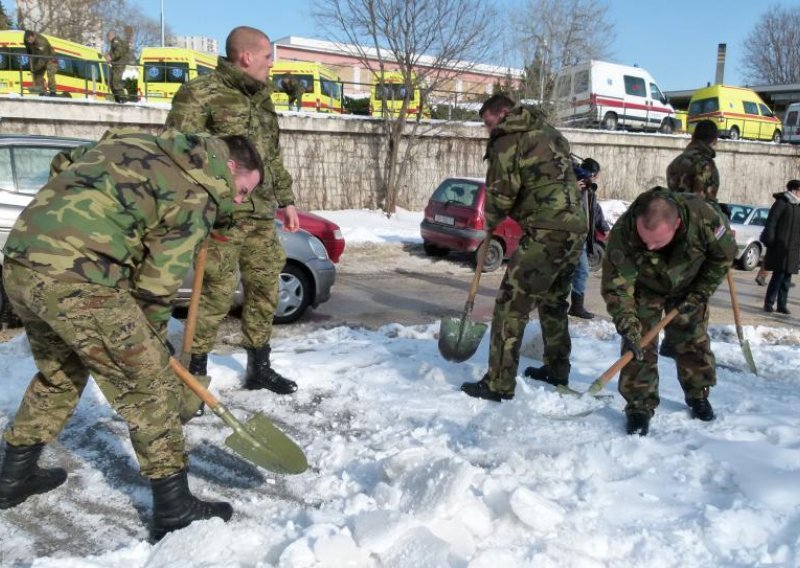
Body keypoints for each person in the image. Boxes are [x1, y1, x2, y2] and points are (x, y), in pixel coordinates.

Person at [0, 128, 263, 540]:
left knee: (61, 374)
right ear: (230, 167)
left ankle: (14, 477)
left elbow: (64, 163)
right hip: (80, 279)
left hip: (21, 262)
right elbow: (157, 287)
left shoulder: (141, 142)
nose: (241, 200)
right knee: (149, 387)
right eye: (244, 190)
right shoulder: (196, 193)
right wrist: (152, 343)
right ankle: (174, 508)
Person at [165, 26, 301, 395]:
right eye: (268, 57)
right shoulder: (201, 94)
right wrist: (204, 204)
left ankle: (260, 367)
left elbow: (271, 155)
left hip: (260, 214)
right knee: (215, 292)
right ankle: (196, 371)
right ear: (247, 57)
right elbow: (178, 152)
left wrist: (286, 200)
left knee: (264, 288)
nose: (272, 64)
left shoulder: (262, 99)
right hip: (221, 215)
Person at [460, 94, 586, 401]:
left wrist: (490, 222)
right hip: (576, 229)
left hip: (546, 231)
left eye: (488, 123)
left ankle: (499, 383)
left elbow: (501, 192)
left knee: (510, 307)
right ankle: (557, 369)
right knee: (554, 301)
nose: (487, 129)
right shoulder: (548, 132)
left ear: (502, 113)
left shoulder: (507, 140)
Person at [601, 188, 736, 436]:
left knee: (692, 339)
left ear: (677, 224)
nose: (650, 246)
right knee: (639, 344)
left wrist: (700, 292)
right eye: (645, 240)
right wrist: (627, 324)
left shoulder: (704, 218)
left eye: (658, 241)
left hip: (688, 286)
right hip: (645, 286)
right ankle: (639, 406)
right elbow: (617, 286)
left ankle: (698, 394)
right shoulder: (625, 231)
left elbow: (723, 257)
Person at [568, 157, 610, 320]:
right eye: (594, 175)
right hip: (569, 237)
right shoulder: (570, 186)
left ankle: (576, 306)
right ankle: (573, 306)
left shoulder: (589, 191)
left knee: (579, 272)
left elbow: (596, 211)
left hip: (582, 239)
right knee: (578, 271)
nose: (595, 179)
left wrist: (604, 228)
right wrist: (573, 188)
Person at [760, 179, 800, 314]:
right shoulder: (781, 203)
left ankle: (782, 304)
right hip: (780, 246)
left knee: (787, 278)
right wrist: (770, 240)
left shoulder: (798, 206)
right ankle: (769, 303)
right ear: (794, 191)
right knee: (778, 276)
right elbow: (771, 222)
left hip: (793, 248)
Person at [666, 119, 720, 202]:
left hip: (674, 213)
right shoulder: (706, 165)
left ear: (692, 137)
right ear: (715, 141)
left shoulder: (676, 162)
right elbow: (706, 203)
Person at [23, 30, 57, 96]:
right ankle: (41, 92)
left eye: (30, 39)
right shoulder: (26, 39)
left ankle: (53, 92)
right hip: (38, 57)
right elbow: (28, 50)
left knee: (50, 74)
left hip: (50, 58)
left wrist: (35, 67)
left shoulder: (41, 41)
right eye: (28, 40)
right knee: (37, 76)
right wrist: (30, 59)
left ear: (33, 36)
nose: (29, 41)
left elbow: (42, 57)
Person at [105, 29, 130, 103]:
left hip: (119, 65)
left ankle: (122, 99)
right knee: (113, 82)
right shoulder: (115, 42)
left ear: (111, 35)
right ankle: (118, 99)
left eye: (108, 36)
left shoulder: (116, 41)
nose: (108, 39)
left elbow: (119, 52)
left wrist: (110, 57)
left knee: (116, 82)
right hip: (117, 65)